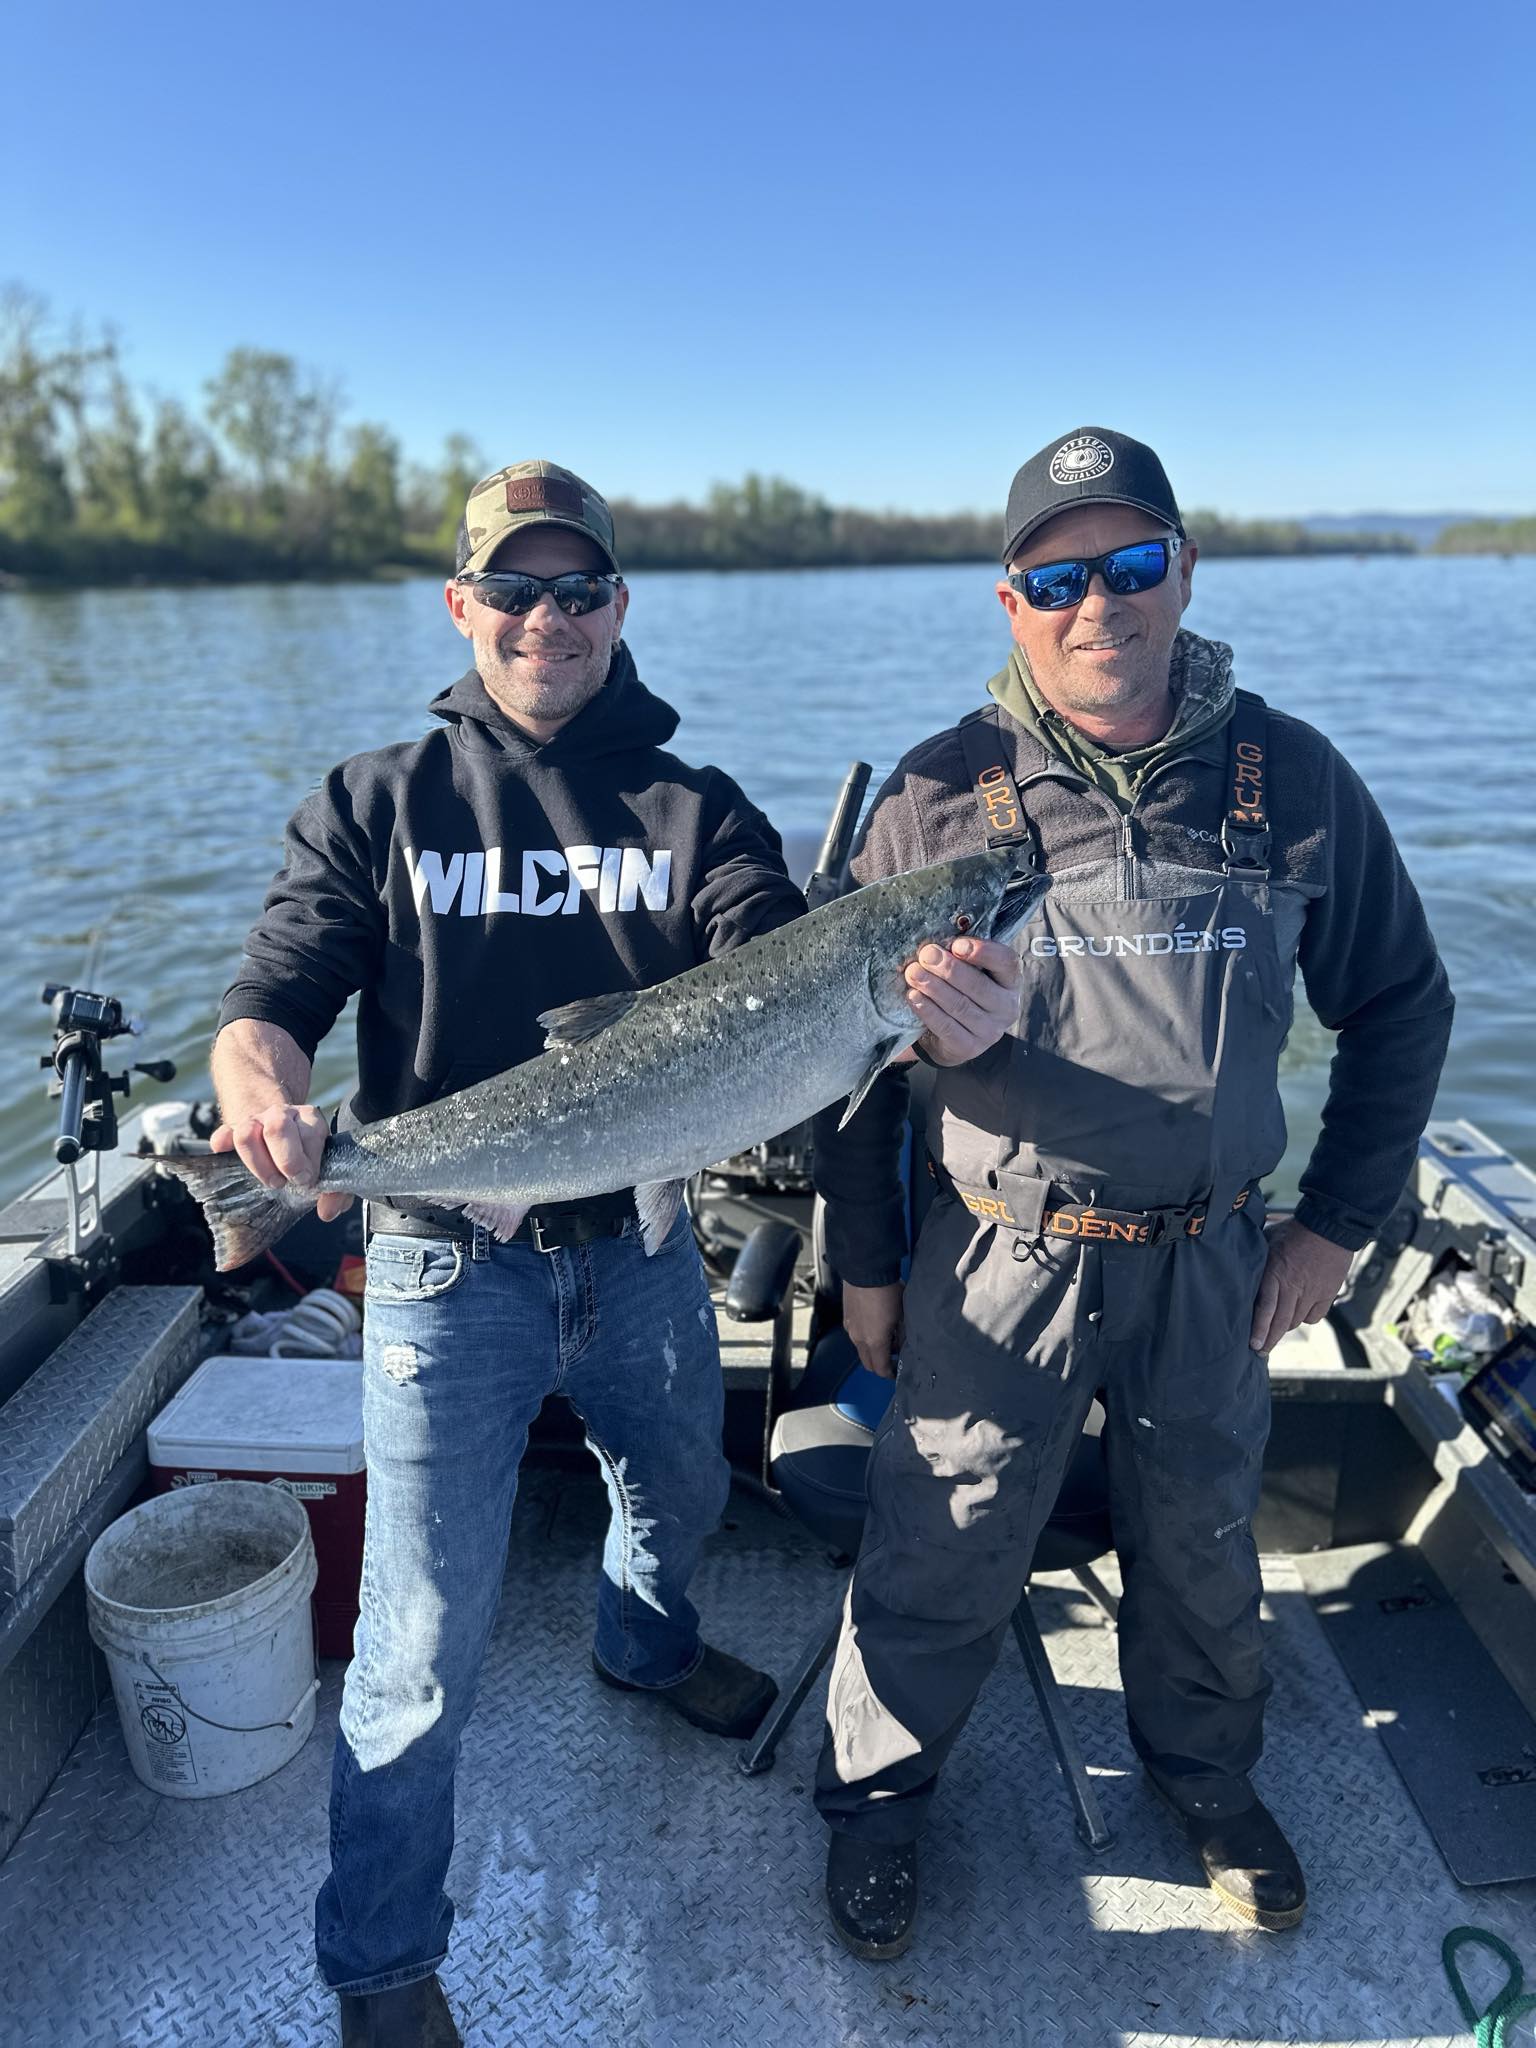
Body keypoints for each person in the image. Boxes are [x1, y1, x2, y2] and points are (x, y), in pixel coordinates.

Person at [208, 460, 1021, 2046]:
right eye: (514, 588)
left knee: (688, 1491)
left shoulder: (699, 806)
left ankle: (642, 1650)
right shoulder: (377, 800)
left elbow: (778, 973)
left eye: (580, 590)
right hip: (443, 1260)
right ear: (462, 606)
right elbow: (274, 994)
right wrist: (258, 1095)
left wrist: (915, 1028)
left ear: (620, 609)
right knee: (420, 1636)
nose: (546, 619)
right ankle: (381, 1969)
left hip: (646, 1242)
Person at [811, 427, 1454, 1957]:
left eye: (1134, 563)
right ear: (1012, 599)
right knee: (941, 1529)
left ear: (1184, 572)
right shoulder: (931, 793)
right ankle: (878, 1799)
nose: (1099, 602)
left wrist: (1336, 1228)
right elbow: (835, 1064)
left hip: (1216, 1263)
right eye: (1060, 575)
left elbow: (1405, 1008)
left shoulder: (1291, 777)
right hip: (996, 1260)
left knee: (1205, 1541)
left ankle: (1209, 1778)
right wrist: (868, 1265)